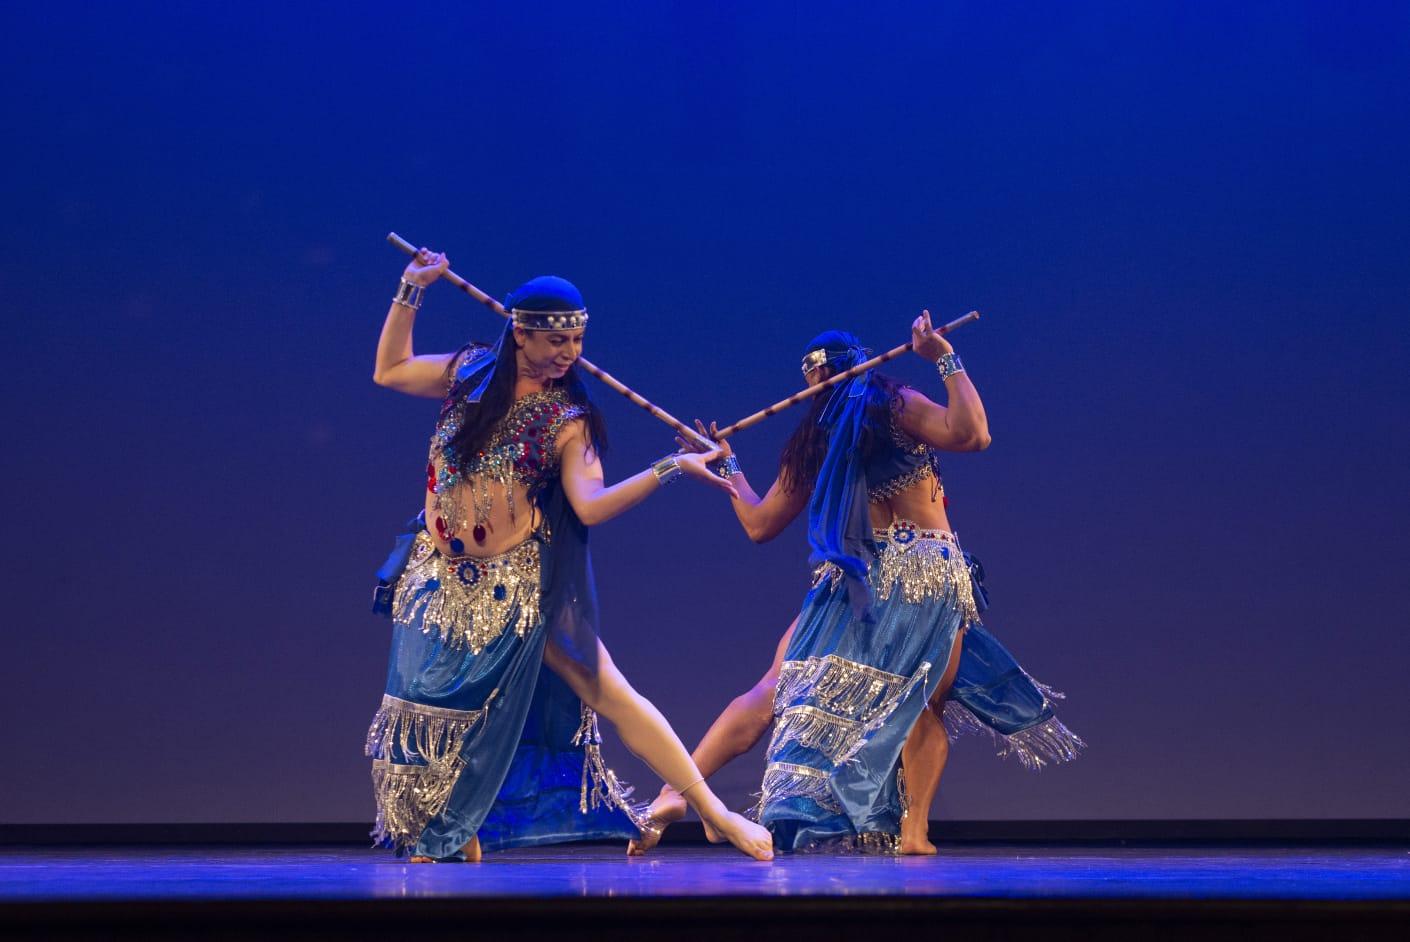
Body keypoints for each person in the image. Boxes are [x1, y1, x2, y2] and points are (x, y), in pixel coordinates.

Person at [364, 247, 773, 862]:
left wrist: (670, 467)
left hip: (518, 592)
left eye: (578, 340)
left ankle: (715, 814)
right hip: (438, 578)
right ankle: (453, 823)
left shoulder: (567, 419)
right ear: (519, 333)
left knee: (607, 690)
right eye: (557, 341)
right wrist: (411, 286)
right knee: (423, 705)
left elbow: (591, 506)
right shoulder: (468, 372)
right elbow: (390, 370)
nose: (570, 354)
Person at [644, 316, 1078, 854]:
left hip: (854, 579)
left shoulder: (816, 438)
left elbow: (758, 523)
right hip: (927, 573)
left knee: (773, 689)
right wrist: (944, 357)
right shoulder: (892, 405)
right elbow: (974, 434)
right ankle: (914, 835)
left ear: (813, 383)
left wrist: (729, 465)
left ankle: (677, 790)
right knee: (923, 703)